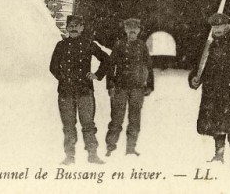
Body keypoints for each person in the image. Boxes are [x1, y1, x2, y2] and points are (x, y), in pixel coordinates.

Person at [188, 12, 230, 166]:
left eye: (220, 26)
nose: (217, 29)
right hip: (212, 92)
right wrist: (194, 79)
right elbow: (199, 68)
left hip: (229, 93)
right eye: (214, 26)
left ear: (227, 27)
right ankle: (219, 155)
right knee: (216, 124)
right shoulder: (208, 46)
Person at [49, 14, 109, 165]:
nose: (73, 28)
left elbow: (106, 59)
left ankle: (92, 154)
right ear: (67, 28)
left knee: (88, 125)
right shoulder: (61, 46)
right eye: (71, 26)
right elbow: (53, 67)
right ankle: (69, 156)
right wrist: (64, 78)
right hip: (66, 92)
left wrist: (97, 75)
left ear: (82, 28)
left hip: (84, 91)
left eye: (77, 25)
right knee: (68, 126)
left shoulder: (88, 44)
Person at [105, 18, 154, 156]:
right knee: (117, 118)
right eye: (129, 28)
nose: (132, 31)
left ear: (139, 30)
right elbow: (111, 66)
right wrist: (110, 85)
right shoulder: (119, 45)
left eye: (135, 29)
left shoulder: (142, 46)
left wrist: (149, 85)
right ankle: (110, 146)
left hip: (137, 88)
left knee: (135, 119)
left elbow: (149, 66)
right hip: (120, 87)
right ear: (125, 29)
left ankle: (131, 147)